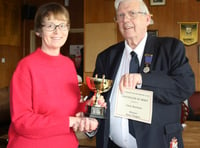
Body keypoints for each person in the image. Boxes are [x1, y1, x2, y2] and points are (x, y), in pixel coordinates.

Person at [91, 0, 195, 148]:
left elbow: (185, 86)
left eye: (131, 13)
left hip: (158, 143)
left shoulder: (170, 48)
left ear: (147, 19)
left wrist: (141, 80)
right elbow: (95, 97)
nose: (125, 19)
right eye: (120, 15)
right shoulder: (107, 57)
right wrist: (92, 121)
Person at [7, 2, 105, 148]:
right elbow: (22, 121)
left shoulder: (68, 65)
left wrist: (88, 106)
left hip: (67, 143)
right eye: (50, 25)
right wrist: (71, 122)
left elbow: (71, 109)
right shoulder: (26, 67)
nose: (57, 31)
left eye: (62, 25)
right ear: (39, 31)